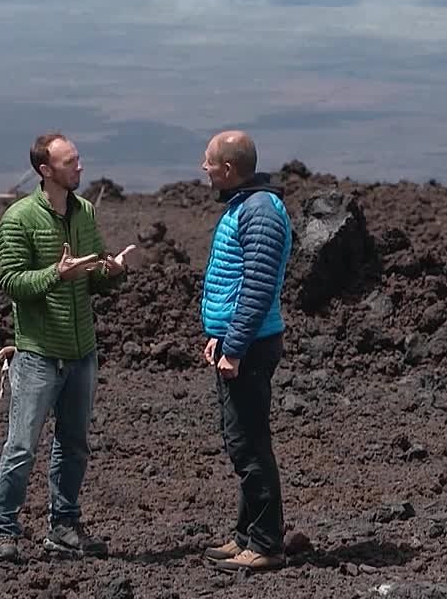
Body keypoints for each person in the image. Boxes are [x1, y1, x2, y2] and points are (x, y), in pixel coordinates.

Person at [0, 132, 135, 564]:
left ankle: (64, 528)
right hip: (37, 354)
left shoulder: (85, 212)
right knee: (21, 447)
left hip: (81, 351)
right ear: (45, 171)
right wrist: (56, 274)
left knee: (73, 445)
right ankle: (4, 532)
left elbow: (90, 278)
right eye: (71, 163)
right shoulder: (18, 219)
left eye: (79, 160)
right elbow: (11, 282)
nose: (80, 168)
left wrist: (113, 271)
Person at [197, 130, 293, 572]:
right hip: (241, 341)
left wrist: (234, 346)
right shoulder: (247, 206)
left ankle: (267, 544)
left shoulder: (258, 212)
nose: (204, 168)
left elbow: (255, 287)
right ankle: (247, 536)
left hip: (251, 347)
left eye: (209, 162)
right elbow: (238, 284)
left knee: (248, 445)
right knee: (244, 443)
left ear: (229, 170)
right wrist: (221, 334)